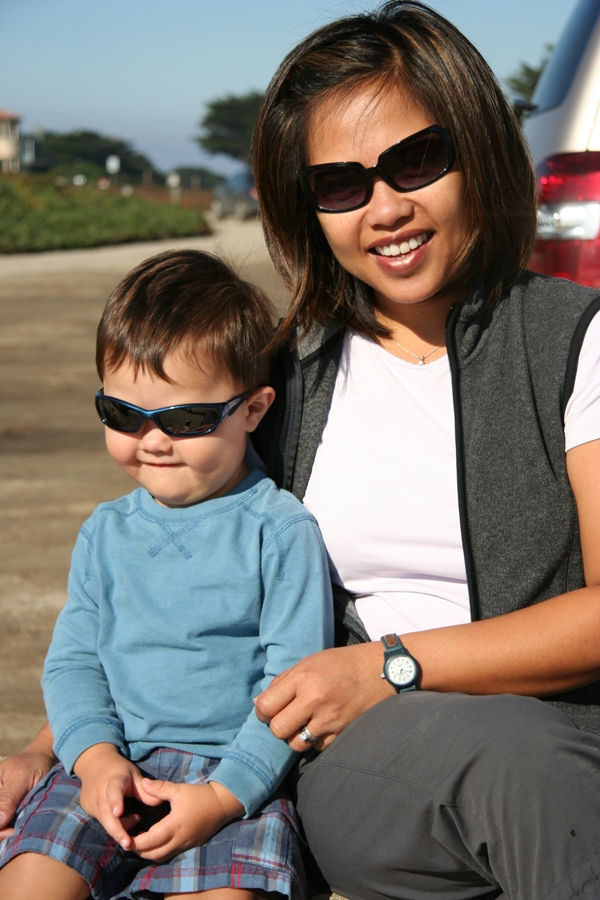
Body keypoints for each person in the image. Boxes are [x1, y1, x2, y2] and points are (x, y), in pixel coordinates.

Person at [3, 2, 600, 897]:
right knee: (525, 767)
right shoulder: (282, 376)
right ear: (307, 205)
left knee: (541, 763)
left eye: (416, 160)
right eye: (340, 184)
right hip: (368, 757)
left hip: (552, 725)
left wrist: (389, 665)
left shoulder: (572, 342)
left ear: (477, 147)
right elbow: (164, 604)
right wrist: (52, 752)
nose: (385, 208)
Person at [0, 249, 333, 900]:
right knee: (32, 879)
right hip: (108, 761)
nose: (152, 440)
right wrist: (95, 758)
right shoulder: (105, 532)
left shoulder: (279, 531)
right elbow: (74, 664)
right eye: (123, 415)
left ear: (254, 409)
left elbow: (293, 686)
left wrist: (223, 795)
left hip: (230, 779)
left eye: (184, 420)